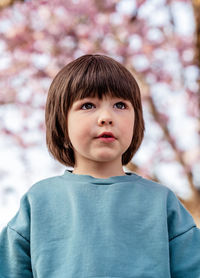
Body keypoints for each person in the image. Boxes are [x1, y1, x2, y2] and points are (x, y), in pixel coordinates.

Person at [0, 54, 200, 278]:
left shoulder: (162, 203)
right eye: (88, 105)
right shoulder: (38, 202)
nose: (106, 117)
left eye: (120, 105)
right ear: (61, 123)